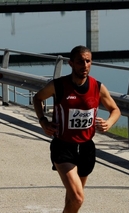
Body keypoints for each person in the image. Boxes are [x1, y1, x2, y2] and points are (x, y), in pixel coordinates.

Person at [33, 45, 121, 213]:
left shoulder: (97, 87)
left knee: (72, 198)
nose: (85, 65)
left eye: (88, 61)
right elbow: (37, 99)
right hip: (63, 147)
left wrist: (109, 123)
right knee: (78, 198)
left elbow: (115, 110)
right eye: (80, 61)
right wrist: (43, 121)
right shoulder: (58, 85)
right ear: (71, 63)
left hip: (86, 148)